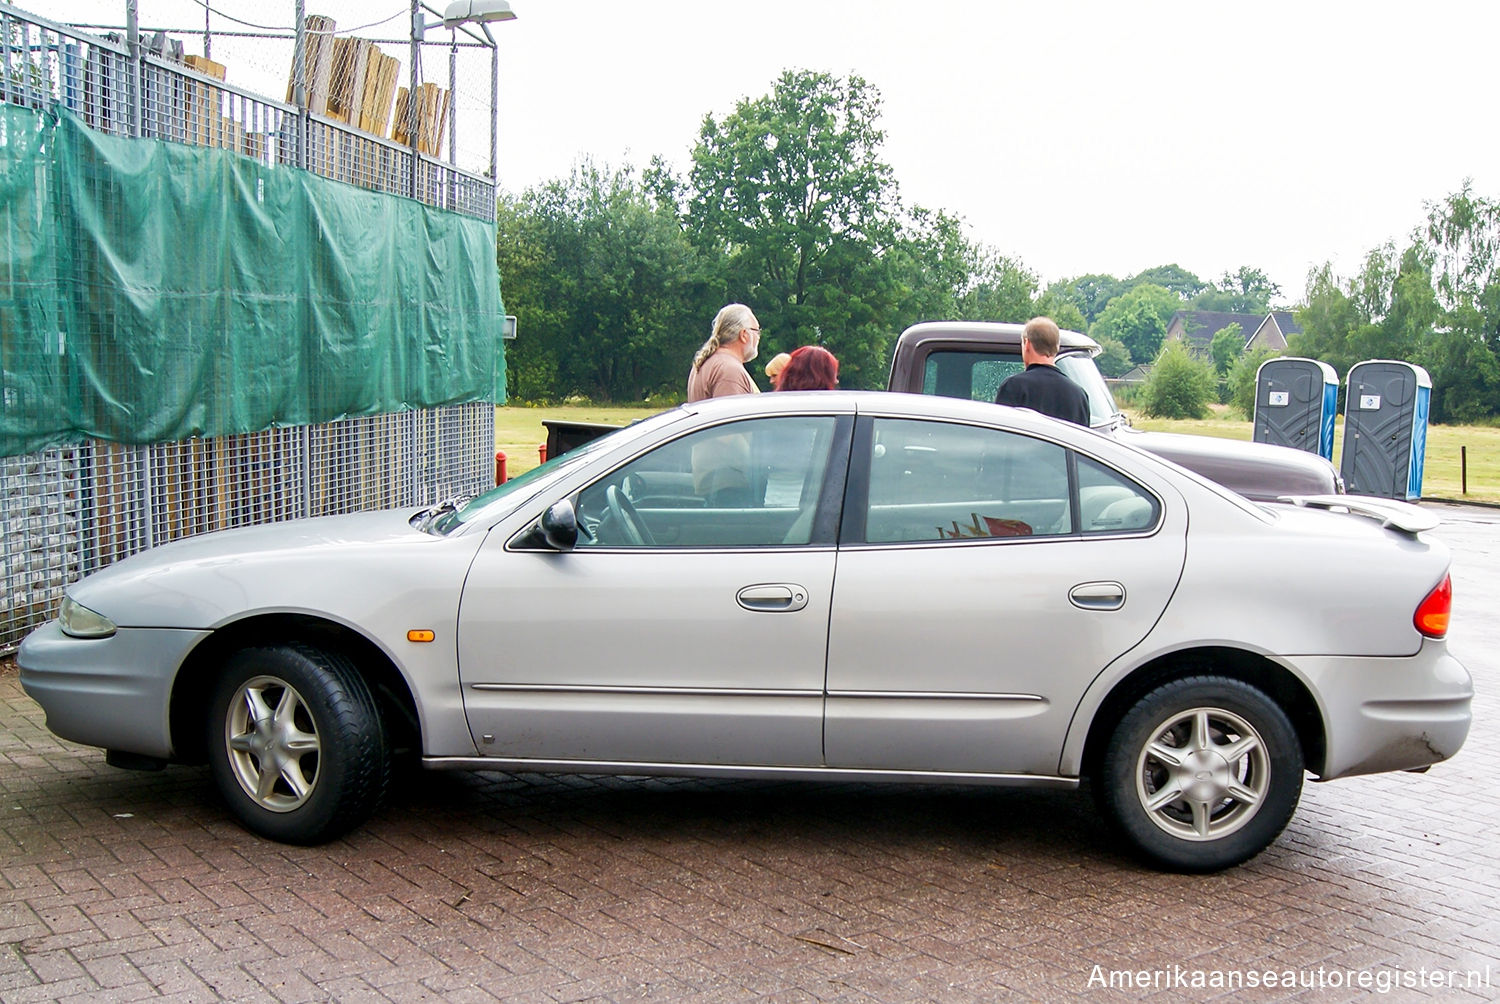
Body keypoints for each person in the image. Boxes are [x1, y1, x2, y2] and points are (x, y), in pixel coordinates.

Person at [994, 316, 1091, 426]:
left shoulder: (1014, 387)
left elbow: (1000, 436)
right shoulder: (1079, 395)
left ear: (1027, 344)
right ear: (1057, 346)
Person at [687, 304, 761, 402]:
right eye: (756, 331)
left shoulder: (709, 361)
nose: (759, 337)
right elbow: (734, 415)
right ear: (743, 335)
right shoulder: (729, 370)